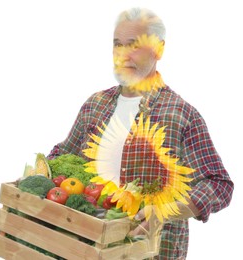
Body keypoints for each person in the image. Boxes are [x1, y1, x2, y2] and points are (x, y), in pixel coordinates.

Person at [47, 7, 233, 260]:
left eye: (134, 45)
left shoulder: (181, 115)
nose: (123, 55)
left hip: (151, 252)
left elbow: (219, 184)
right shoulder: (95, 104)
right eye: (117, 45)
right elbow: (63, 156)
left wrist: (166, 210)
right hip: (86, 249)